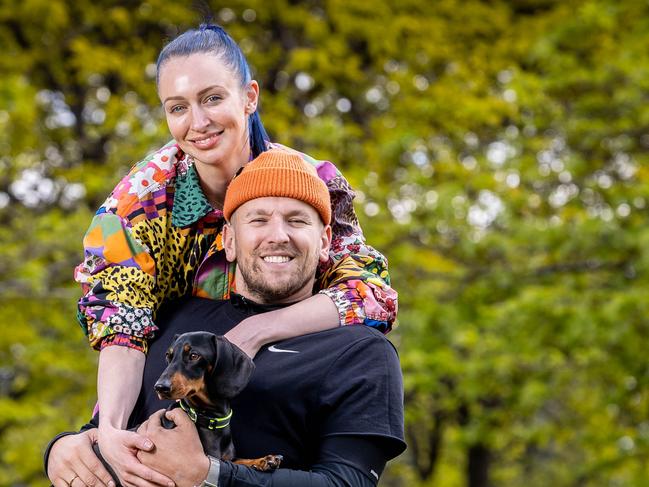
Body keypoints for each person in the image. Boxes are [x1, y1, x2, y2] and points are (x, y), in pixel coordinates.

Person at [70, 21, 398, 486]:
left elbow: (371, 294)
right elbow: (121, 325)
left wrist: (254, 331)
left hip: (273, 374)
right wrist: (105, 435)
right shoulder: (137, 201)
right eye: (177, 107)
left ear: (249, 97)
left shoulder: (308, 181)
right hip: (164, 373)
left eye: (212, 98)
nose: (197, 122)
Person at [46, 150, 405, 487]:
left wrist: (209, 474)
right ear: (229, 240)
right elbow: (104, 433)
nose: (277, 236)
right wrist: (61, 450)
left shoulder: (362, 351)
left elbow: (347, 482)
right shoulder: (174, 323)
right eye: (258, 219)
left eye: (296, 220)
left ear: (326, 241)